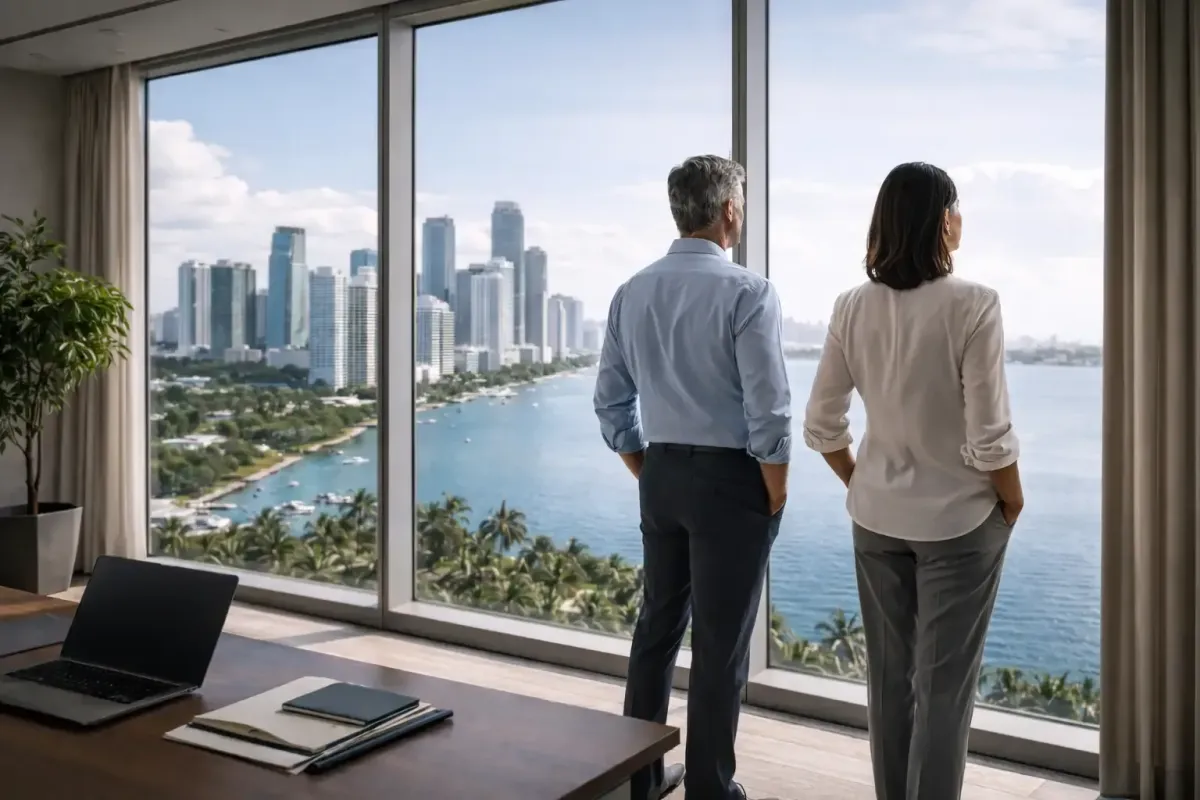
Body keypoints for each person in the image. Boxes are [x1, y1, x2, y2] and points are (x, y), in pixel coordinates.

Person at [803, 161, 1023, 800]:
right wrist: (1011, 498)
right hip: (959, 523)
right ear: (945, 222)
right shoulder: (975, 304)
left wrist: (859, 479)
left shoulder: (851, 305)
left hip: (875, 518)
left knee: (889, 684)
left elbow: (822, 422)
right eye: (956, 211)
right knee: (943, 695)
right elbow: (989, 435)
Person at [593, 154, 791, 800]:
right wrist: (775, 488)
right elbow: (770, 409)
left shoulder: (632, 291)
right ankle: (710, 787)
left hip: (663, 474)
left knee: (655, 630)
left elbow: (610, 402)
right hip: (733, 484)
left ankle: (638, 782)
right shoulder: (748, 293)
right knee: (720, 646)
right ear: (731, 211)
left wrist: (646, 466)